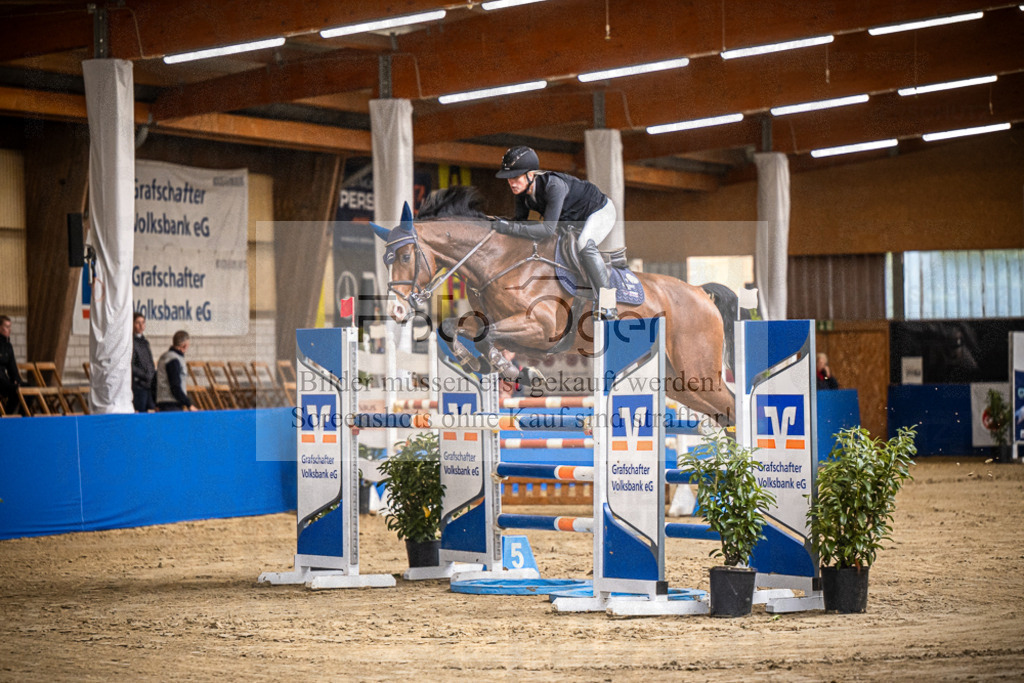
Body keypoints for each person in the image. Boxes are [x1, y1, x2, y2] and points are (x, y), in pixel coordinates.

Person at [494, 146, 618, 318]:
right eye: (508, 178)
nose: (511, 183)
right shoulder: (521, 193)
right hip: (572, 219)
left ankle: (608, 305)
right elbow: (520, 224)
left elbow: (547, 229)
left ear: (531, 175)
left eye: (515, 177)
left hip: (599, 211)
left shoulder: (554, 186)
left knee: (584, 243)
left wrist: (508, 227)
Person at [156, 330, 197, 412]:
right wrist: (189, 404)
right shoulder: (174, 359)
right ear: (184, 345)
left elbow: (155, 380)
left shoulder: (164, 357)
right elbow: (175, 385)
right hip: (172, 404)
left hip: (161, 401)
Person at [131, 313, 157, 412]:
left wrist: (151, 375)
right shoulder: (131, 342)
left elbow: (149, 362)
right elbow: (131, 365)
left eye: (143, 323)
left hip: (148, 385)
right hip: (138, 386)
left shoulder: (145, 342)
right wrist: (144, 375)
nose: (141, 326)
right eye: (138, 323)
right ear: (132, 324)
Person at [0, 315, 22, 415]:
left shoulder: (8, 346)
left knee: (27, 388)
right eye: (7, 327)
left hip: (5, 381)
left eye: (10, 327)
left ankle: (24, 418)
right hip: (1, 381)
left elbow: (12, 367)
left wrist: (17, 380)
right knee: (15, 391)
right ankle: (6, 417)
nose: (9, 330)